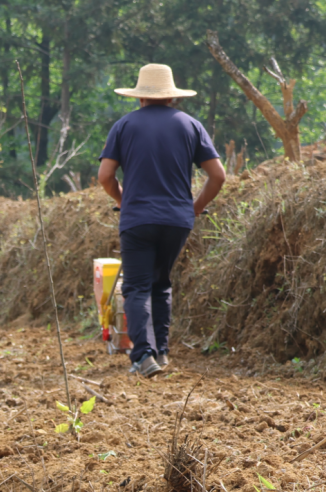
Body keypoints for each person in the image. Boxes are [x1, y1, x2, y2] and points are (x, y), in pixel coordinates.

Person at [98, 63, 227, 378]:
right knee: (161, 282)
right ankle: (163, 352)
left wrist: (121, 199)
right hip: (177, 221)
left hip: (138, 219)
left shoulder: (124, 126)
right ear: (173, 98)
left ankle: (142, 356)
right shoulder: (191, 126)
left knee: (137, 286)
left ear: (140, 97)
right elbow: (218, 176)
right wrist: (194, 207)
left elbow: (105, 176)